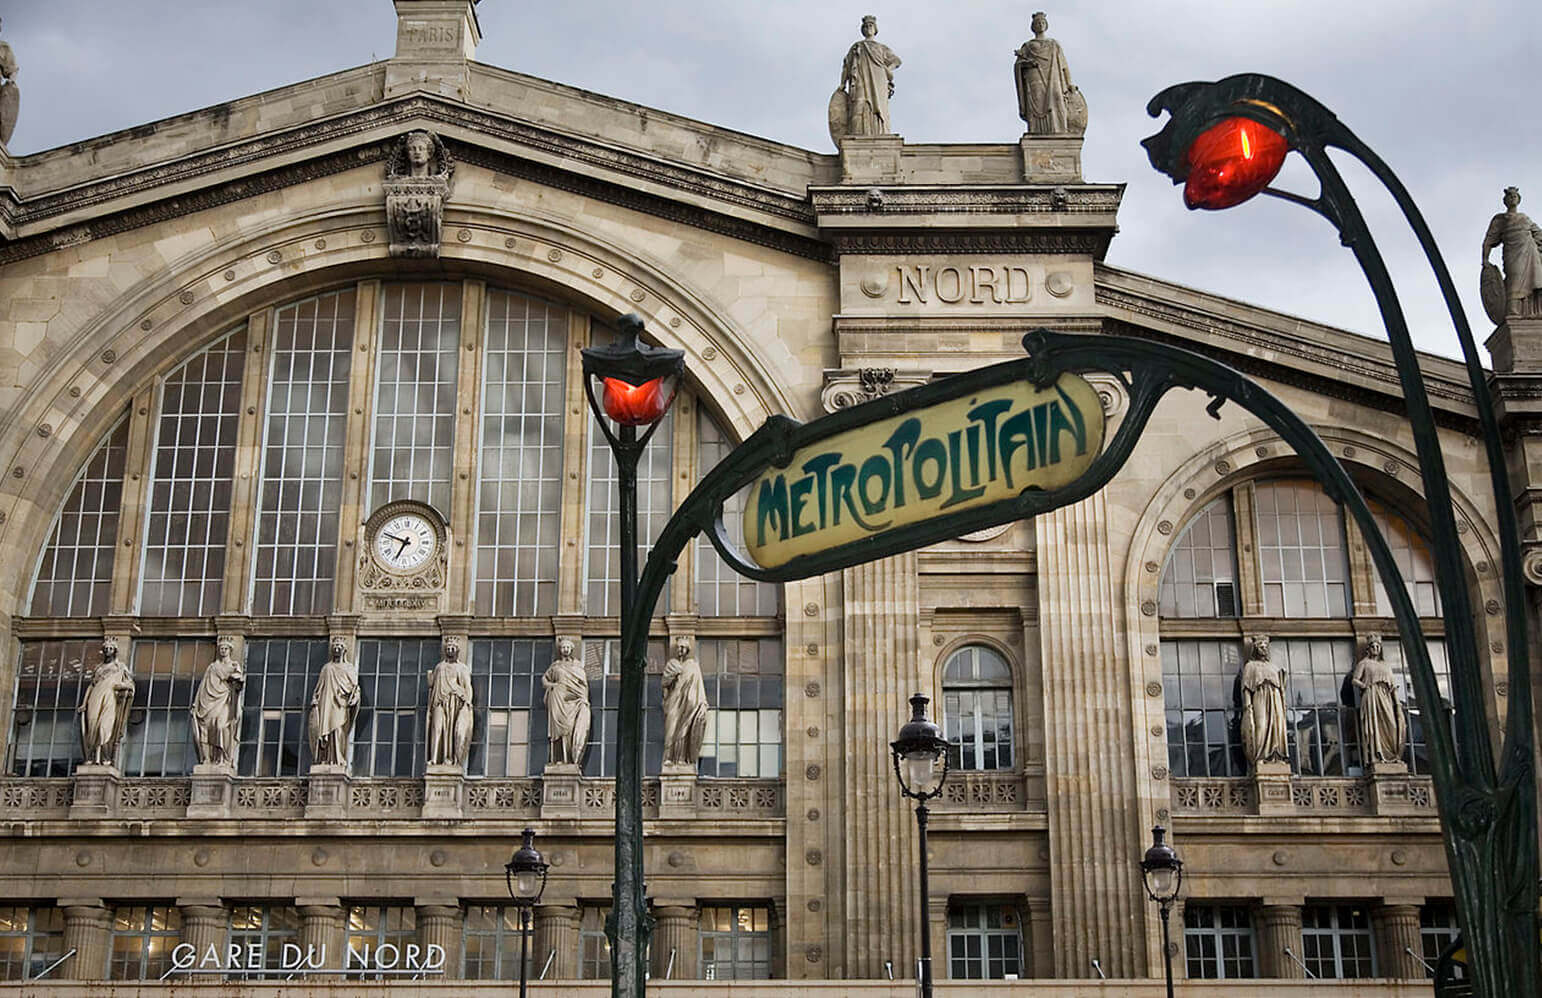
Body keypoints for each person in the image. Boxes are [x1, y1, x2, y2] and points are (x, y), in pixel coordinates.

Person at [1482, 187, 1542, 316]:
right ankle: (1513, 309)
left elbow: (1539, 234)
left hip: (1529, 253)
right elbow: (1489, 240)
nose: (1513, 198)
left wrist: (1536, 246)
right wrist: (1485, 259)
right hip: (1512, 253)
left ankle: (1534, 310)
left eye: (1515, 196)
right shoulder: (1500, 219)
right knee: (1515, 279)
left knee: (1535, 280)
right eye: (1510, 196)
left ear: (1518, 200)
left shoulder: (1525, 218)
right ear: (1506, 200)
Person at [1015, 12, 1076, 135]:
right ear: (1033, 26)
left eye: (1042, 22)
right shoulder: (1028, 46)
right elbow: (1018, 65)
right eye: (1037, 23)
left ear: (1046, 25)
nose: (1040, 25)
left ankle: (1058, 130)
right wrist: (1027, 63)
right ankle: (1036, 132)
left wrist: (1069, 83)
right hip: (1034, 77)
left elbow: (1064, 66)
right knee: (1037, 100)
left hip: (1053, 77)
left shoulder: (1054, 44)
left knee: (1057, 99)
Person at [839, 15, 902, 137]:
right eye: (866, 26)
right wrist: (842, 83)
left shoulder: (881, 48)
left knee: (879, 108)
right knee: (859, 103)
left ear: (875, 29)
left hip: (878, 78)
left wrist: (887, 70)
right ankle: (857, 133)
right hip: (861, 78)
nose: (868, 28)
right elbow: (847, 65)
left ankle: (880, 132)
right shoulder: (857, 46)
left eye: (871, 26)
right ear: (863, 30)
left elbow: (897, 61)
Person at [1350, 633, 1407, 766]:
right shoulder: (1364, 663)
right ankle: (1377, 755)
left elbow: (1393, 686)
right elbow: (1354, 679)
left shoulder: (1386, 665)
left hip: (1386, 697)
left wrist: (1397, 703)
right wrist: (1364, 685)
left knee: (1392, 725)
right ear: (1368, 649)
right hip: (1371, 696)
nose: (1375, 649)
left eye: (1378, 646)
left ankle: (1392, 755)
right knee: (1374, 726)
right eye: (1373, 646)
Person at [79, 638, 135, 766]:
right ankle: (93, 757)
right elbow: (92, 686)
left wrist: (122, 686)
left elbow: (129, 684)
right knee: (92, 725)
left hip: (110, 697)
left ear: (115, 651)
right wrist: (84, 703)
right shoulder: (98, 668)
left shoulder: (120, 667)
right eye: (106, 649)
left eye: (110, 649)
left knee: (105, 726)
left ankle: (105, 757)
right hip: (95, 697)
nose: (107, 651)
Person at [191, 639, 245, 768]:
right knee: (207, 728)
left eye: (225, 648)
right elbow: (203, 685)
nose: (223, 650)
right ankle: (208, 759)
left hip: (226, 699)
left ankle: (223, 759)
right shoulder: (212, 667)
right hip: (210, 700)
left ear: (230, 650)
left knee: (221, 726)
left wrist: (236, 680)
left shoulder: (234, 666)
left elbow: (239, 683)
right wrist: (196, 704)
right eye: (221, 648)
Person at [308, 638, 359, 767]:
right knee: (327, 730)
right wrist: (315, 698)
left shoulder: (349, 668)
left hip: (341, 704)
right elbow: (319, 687)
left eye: (340, 646)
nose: (337, 648)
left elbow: (354, 687)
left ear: (344, 649)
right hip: (327, 703)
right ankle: (326, 758)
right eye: (335, 646)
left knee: (339, 730)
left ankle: (338, 758)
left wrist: (354, 697)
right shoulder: (327, 668)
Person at [1239, 634, 1289, 766]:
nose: (1264, 649)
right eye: (1261, 647)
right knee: (1261, 725)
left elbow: (1281, 688)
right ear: (1256, 649)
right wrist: (1248, 706)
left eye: (1265, 647)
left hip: (1275, 697)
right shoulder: (1250, 666)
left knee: (1277, 726)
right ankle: (1260, 756)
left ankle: (1277, 756)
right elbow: (1246, 688)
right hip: (1260, 697)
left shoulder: (1273, 667)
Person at [426, 638, 474, 767]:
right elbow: (433, 684)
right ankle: (434, 758)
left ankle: (451, 758)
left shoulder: (461, 668)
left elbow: (467, 686)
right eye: (448, 649)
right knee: (438, 728)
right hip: (439, 702)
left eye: (453, 649)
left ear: (457, 651)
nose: (450, 651)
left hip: (455, 702)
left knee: (453, 730)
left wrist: (467, 702)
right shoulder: (439, 667)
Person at [662, 636, 710, 767]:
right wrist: (672, 676)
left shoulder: (693, 666)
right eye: (678, 647)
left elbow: (699, 686)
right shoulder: (671, 664)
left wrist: (702, 703)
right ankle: (669, 758)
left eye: (683, 647)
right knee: (671, 730)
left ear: (687, 649)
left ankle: (681, 759)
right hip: (673, 702)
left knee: (684, 730)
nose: (680, 650)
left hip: (688, 704)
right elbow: (664, 684)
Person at [543, 638, 591, 766]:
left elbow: (583, 685)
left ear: (571, 650)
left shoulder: (577, 666)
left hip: (573, 702)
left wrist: (583, 699)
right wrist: (551, 686)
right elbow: (545, 679)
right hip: (558, 699)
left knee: (571, 729)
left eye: (567, 647)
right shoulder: (555, 666)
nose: (565, 650)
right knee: (558, 731)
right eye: (563, 647)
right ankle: (558, 759)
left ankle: (570, 759)